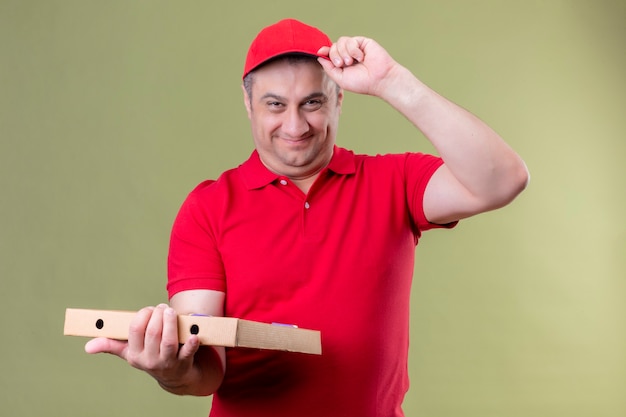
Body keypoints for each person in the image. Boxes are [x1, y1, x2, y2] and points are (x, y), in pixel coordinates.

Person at [85, 18, 529, 417]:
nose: (295, 126)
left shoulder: (394, 182)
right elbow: (206, 370)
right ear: (248, 103)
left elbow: (502, 179)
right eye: (275, 105)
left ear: (340, 100)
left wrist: (394, 82)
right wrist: (171, 369)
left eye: (312, 103)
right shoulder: (208, 207)